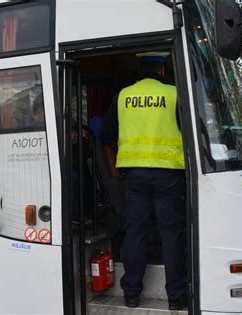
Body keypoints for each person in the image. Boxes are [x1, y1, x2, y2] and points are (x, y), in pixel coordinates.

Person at [101, 52, 187, 310]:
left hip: (134, 175)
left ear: (140, 72)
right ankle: (176, 297)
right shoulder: (174, 94)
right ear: (161, 71)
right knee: (171, 235)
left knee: (135, 232)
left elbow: (106, 135)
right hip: (168, 174)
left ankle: (131, 294)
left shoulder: (122, 96)